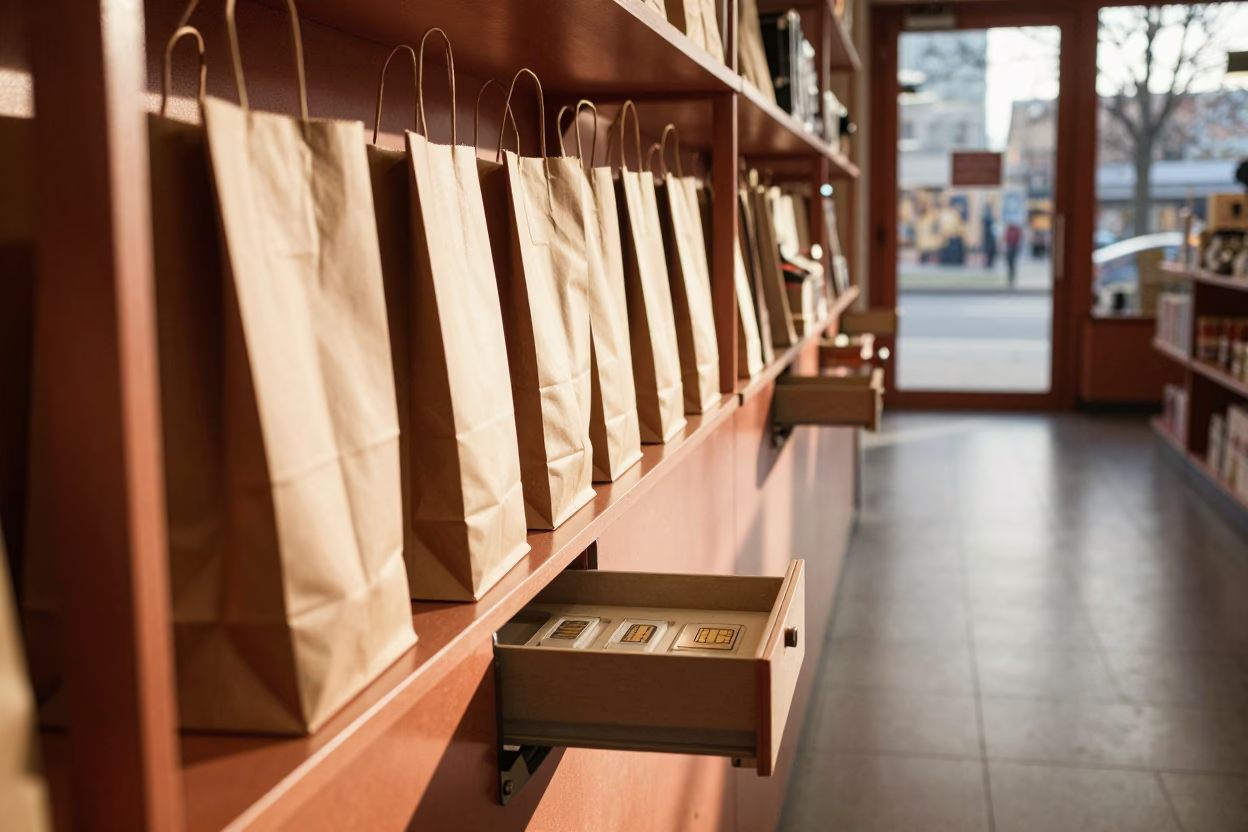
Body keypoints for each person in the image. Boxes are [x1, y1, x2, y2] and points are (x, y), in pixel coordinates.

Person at [1004, 222, 1022, 288]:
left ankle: (1012, 277)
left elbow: (1017, 239)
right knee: (1010, 264)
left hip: (1013, 248)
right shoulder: (1009, 230)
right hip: (1010, 248)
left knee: (1012, 265)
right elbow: (1006, 238)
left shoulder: (1014, 230)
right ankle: (1010, 277)